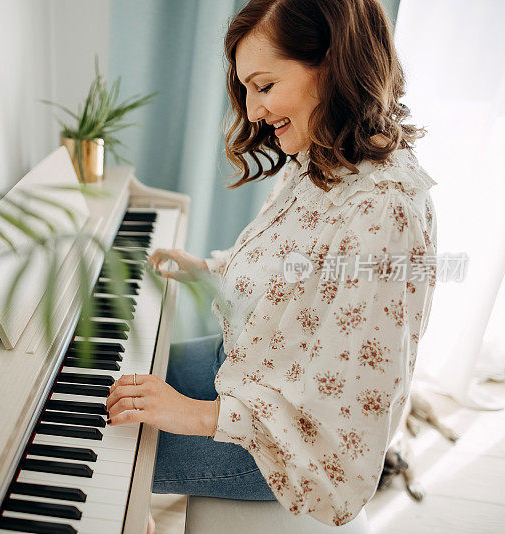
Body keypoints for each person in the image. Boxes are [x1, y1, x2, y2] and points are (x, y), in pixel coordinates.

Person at [104, 0, 438, 530]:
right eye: (246, 90)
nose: (253, 111)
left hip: (287, 449)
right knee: (97, 382)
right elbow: (298, 284)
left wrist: (197, 415)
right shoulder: (325, 156)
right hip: (243, 370)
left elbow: (341, 408)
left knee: (98, 451)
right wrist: (210, 271)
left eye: (263, 86)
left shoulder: (384, 210)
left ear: (334, 64)